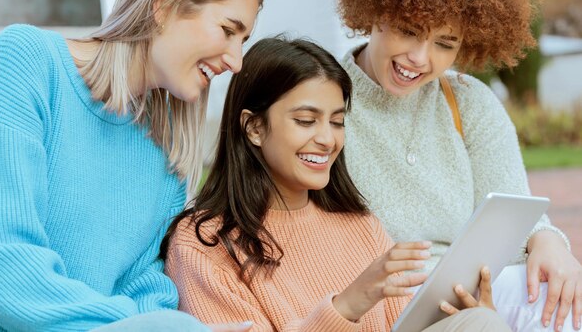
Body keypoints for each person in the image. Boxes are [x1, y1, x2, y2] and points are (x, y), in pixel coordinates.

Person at [0, 0, 262, 332]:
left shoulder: (165, 151)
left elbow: (147, 292)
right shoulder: (26, 64)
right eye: (228, 30)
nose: (236, 62)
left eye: (244, 40)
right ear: (165, 4)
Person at [334, 0, 582, 332]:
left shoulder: (467, 100)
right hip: (379, 303)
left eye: (444, 43)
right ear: (374, 11)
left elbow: (517, 211)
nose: (419, 58)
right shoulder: (323, 95)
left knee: (564, 297)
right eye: (409, 30)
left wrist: (550, 241)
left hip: (469, 287)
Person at [163, 36, 513, 331]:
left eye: (336, 122)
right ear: (254, 128)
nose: (327, 140)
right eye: (305, 120)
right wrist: (346, 307)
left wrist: (471, 320)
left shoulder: (360, 225)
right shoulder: (204, 245)